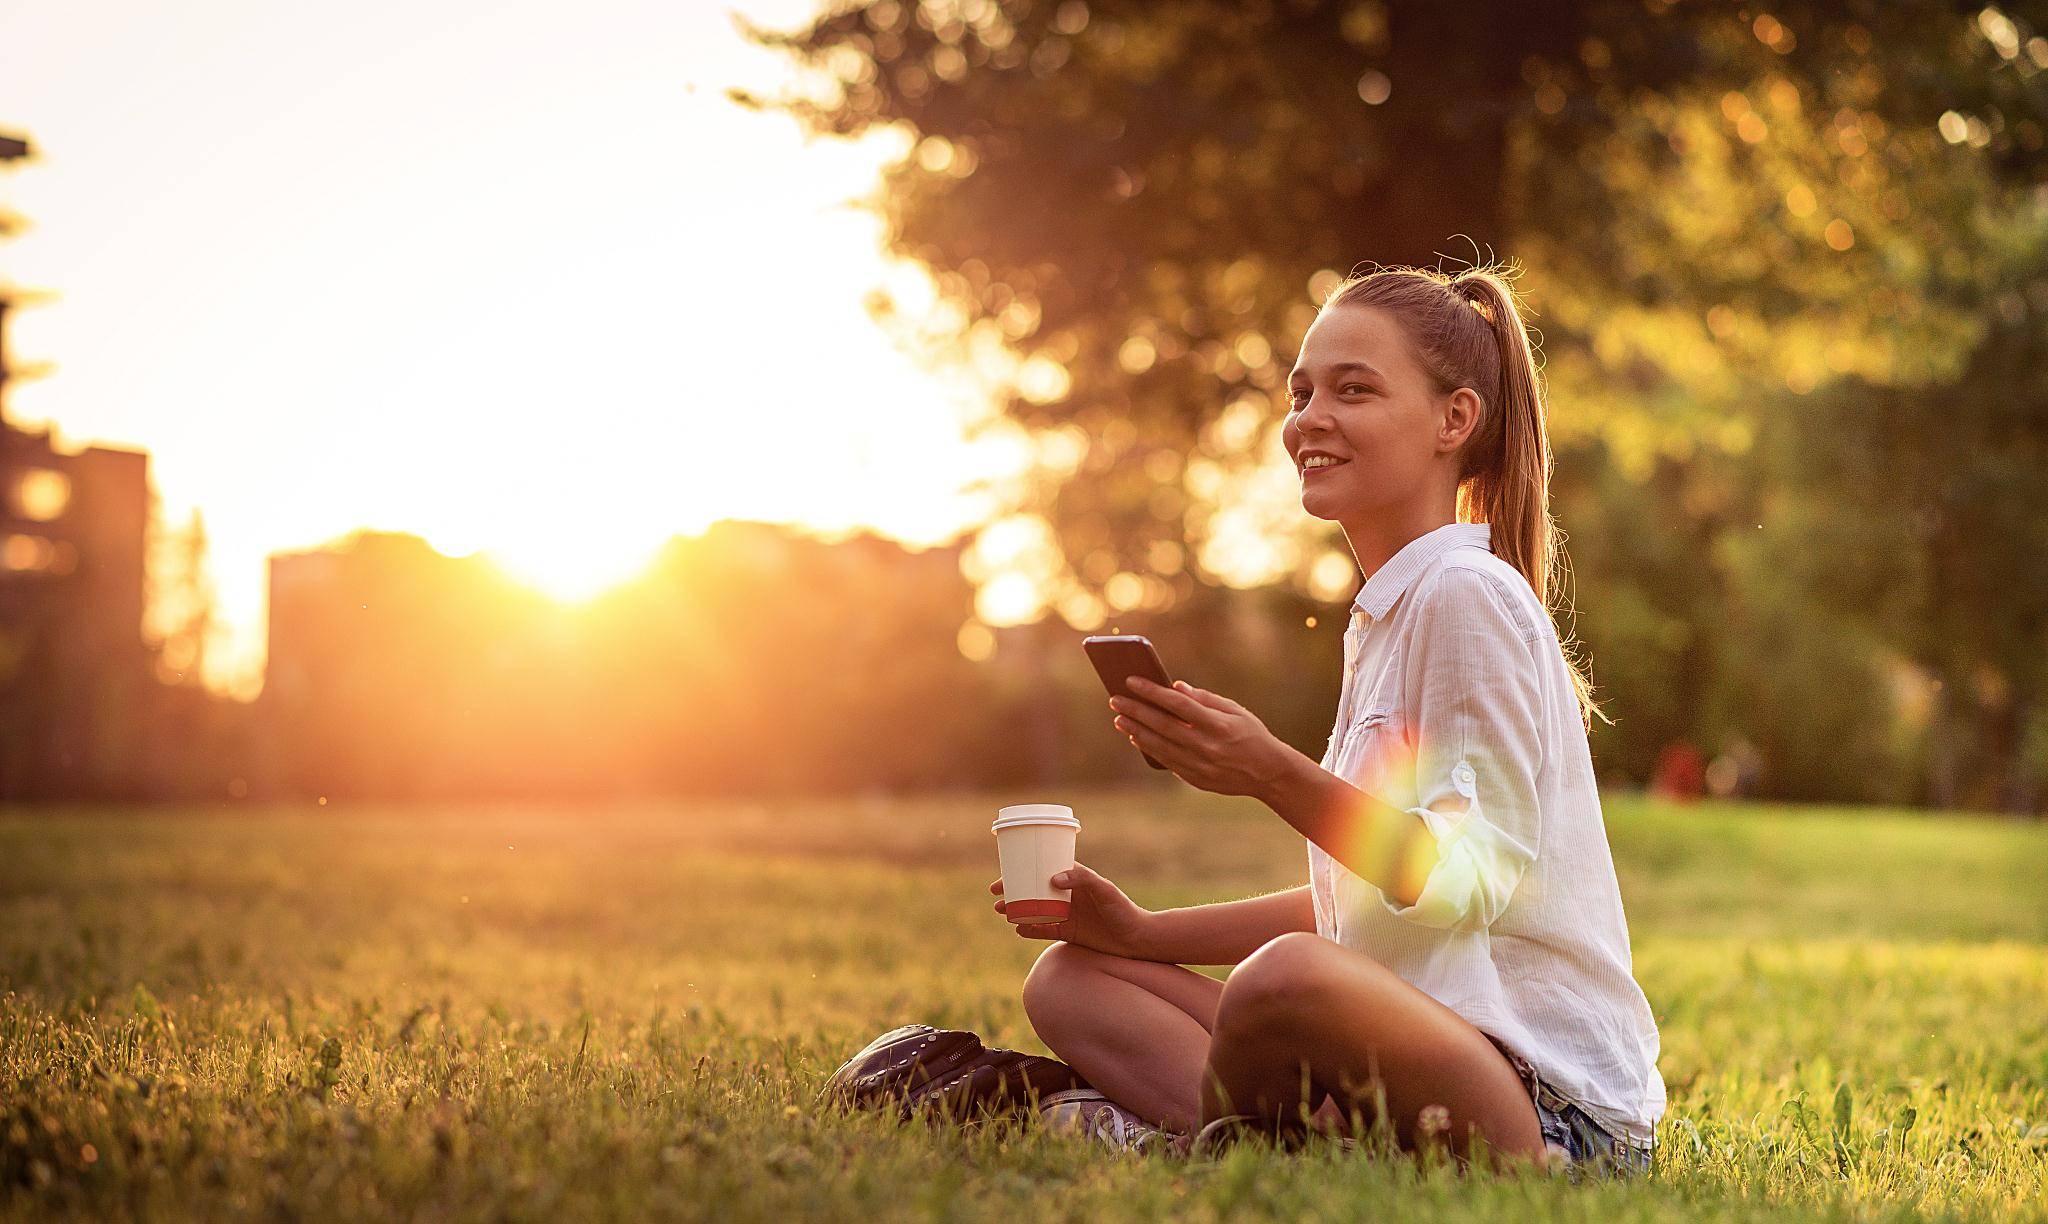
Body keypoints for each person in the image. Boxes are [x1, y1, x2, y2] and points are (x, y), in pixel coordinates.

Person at [991, 264, 1664, 1173]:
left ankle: (1205, 1138)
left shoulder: (1465, 595)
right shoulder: (1388, 615)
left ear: (1453, 420)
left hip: (1549, 1107)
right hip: (1413, 1052)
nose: (1310, 418)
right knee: (1076, 981)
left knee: (1283, 981)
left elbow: (1466, 883)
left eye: (1354, 389)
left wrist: (1269, 772)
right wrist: (1141, 933)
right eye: (1301, 391)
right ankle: (1281, 1142)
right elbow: (1365, 905)